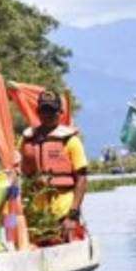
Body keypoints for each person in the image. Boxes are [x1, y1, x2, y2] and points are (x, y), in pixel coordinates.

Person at [19, 89, 88, 240]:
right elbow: (18, 172)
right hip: (36, 212)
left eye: (52, 110)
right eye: (44, 110)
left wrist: (73, 214)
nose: (48, 114)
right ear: (38, 112)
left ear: (60, 112)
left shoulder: (71, 141)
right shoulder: (27, 139)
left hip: (64, 210)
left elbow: (82, 179)